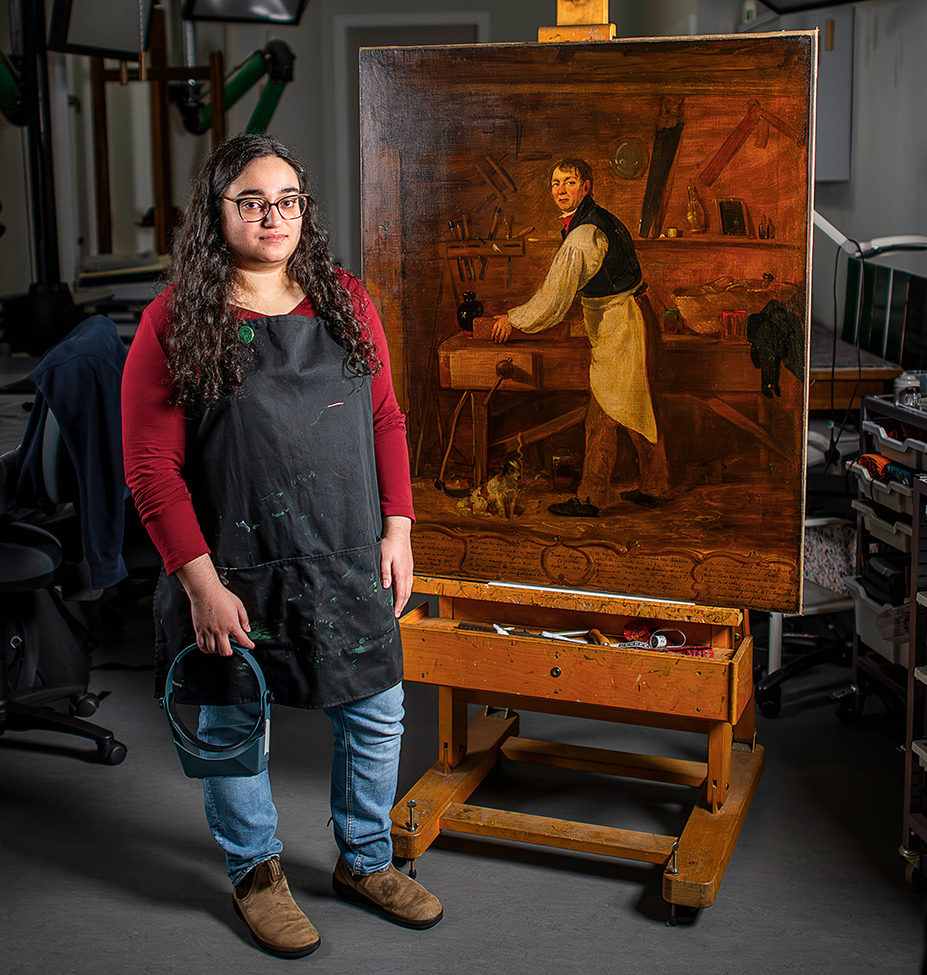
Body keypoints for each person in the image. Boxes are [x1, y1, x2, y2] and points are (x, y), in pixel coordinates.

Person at [121, 133, 442, 959]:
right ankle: (255, 872)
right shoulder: (174, 319)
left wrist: (398, 527)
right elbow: (151, 469)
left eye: (288, 199)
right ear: (216, 212)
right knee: (232, 718)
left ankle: (365, 861)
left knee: (376, 713)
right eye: (252, 201)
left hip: (343, 553)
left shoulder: (343, 298)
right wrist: (197, 584)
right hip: (231, 568)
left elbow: (384, 420)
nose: (274, 216)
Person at [492, 158, 670, 516]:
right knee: (638, 407)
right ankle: (656, 486)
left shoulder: (584, 235)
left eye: (569, 182)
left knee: (604, 414)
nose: (561, 190)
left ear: (586, 187)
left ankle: (591, 497)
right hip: (629, 317)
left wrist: (513, 319)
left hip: (623, 326)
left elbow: (554, 298)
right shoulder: (594, 221)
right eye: (555, 183)